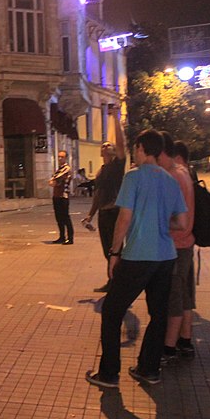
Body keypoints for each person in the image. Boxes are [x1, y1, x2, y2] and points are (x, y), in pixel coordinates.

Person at [85, 129, 187, 388]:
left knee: (112, 310)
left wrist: (114, 252)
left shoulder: (134, 177)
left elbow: (124, 218)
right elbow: (181, 222)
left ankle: (109, 373)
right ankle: (148, 369)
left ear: (141, 148)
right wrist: (159, 221)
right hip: (165, 256)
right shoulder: (170, 179)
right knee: (158, 313)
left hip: (138, 255)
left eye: (136, 149)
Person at [159, 135, 197, 364]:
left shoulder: (173, 176)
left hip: (176, 244)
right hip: (186, 243)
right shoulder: (184, 171)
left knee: (174, 297)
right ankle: (185, 340)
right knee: (184, 295)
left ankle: (169, 347)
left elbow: (177, 219)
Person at [82, 106, 126, 292]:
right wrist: (90, 215)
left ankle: (119, 283)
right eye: (104, 145)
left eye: (109, 145)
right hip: (104, 212)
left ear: (114, 151)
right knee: (106, 249)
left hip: (115, 211)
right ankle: (113, 280)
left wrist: (116, 119)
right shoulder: (101, 170)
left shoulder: (117, 166)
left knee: (116, 249)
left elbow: (122, 145)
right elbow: (98, 194)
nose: (105, 146)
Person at [48, 150, 74, 244]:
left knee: (65, 217)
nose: (59, 158)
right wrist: (53, 180)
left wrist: (53, 180)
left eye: (62, 157)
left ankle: (70, 238)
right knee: (59, 217)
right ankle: (62, 236)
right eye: (58, 157)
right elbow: (53, 180)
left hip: (63, 196)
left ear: (65, 158)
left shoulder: (66, 168)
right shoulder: (59, 168)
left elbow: (57, 178)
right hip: (57, 195)